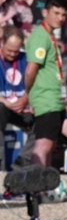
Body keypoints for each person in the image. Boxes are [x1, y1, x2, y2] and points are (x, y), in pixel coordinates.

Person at [16, 0, 67, 168]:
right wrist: (27, 93)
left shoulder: (49, 35)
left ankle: (45, 180)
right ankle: (36, 180)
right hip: (46, 98)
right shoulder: (40, 36)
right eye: (56, 13)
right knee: (43, 145)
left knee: (50, 145)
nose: (60, 18)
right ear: (45, 12)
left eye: (63, 14)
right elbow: (31, 69)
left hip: (54, 98)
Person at [0, 26, 30, 171]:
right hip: (3, 106)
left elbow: (36, 85)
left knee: (46, 119)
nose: (13, 54)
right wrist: (6, 102)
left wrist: (26, 99)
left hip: (22, 107)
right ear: (2, 43)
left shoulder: (26, 59)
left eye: (16, 51)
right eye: (9, 50)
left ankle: (22, 161)